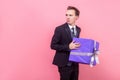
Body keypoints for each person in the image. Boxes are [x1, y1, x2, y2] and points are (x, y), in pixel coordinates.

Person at [50, 6, 81, 80]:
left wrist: (89, 51)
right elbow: (53, 45)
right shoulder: (59, 29)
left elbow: (76, 44)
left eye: (70, 15)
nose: (68, 17)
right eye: (66, 15)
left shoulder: (78, 29)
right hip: (64, 63)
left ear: (76, 17)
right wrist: (68, 47)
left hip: (75, 63)